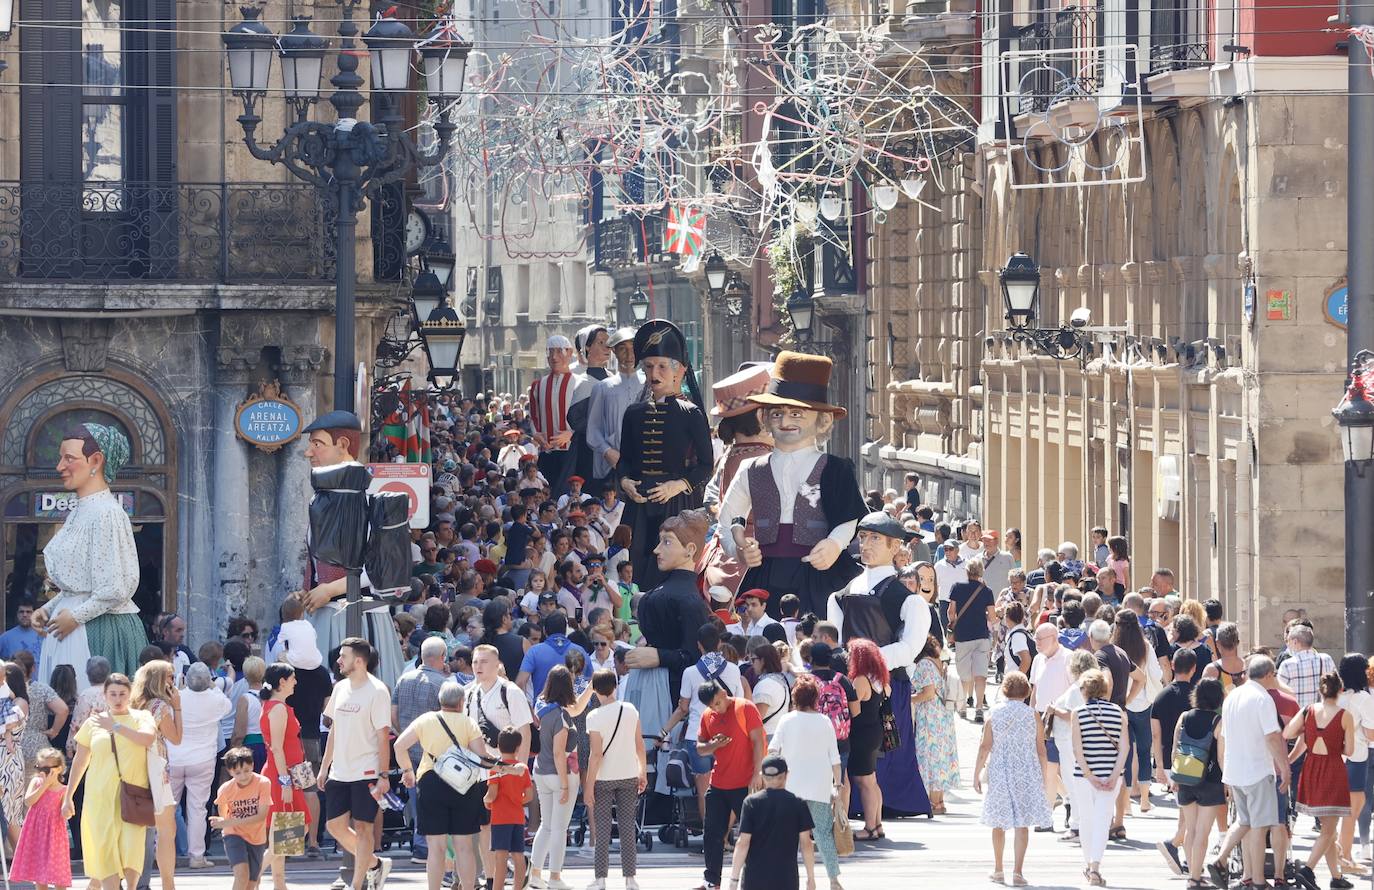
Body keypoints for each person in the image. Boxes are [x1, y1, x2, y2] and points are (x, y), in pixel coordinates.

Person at [719, 352, 867, 619]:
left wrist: (834, 544)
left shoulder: (836, 468)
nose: (785, 422)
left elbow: (850, 517)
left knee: (818, 634)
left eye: (796, 414)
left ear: (822, 420)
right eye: (777, 413)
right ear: (764, 417)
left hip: (819, 575)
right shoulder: (750, 469)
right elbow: (727, 518)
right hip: (764, 576)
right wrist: (738, 551)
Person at [828, 511, 932, 817]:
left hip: (889, 685)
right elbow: (836, 642)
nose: (867, 544)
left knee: (885, 751)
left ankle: (882, 811)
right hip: (850, 687)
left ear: (895, 546)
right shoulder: (840, 596)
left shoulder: (909, 600)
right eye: (863, 537)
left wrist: (868, 665)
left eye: (875, 538)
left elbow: (909, 649)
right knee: (847, 750)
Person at [291, 411, 406, 689]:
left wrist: (329, 589)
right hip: (324, 617)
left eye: (317, 444)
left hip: (356, 618)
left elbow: (378, 569)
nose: (308, 452)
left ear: (342, 444)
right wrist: (311, 589)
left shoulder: (366, 501)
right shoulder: (323, 500)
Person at [34, 424, 147, 683]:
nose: (60, 467)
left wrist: (75, 616)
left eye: (69, 458)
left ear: (96, 460)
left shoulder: (107, 513)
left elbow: (114, 588)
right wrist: (49, 608)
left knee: (89, 696)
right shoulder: (80, 511)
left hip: (96, 628)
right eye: (61, 458)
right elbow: (81, 584)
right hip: (72, 627)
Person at [616, 319, 713, 590]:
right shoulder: (633, 413)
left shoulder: (691, 414)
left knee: (672, 567)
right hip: (638, 505)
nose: (654, 373)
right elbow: (624, 460)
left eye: (661, 366)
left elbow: (706, 465)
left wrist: (677, 485)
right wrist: (625, 482)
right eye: (648, 366)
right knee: (635, 567)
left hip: (675, 503)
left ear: (679, 371)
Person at [622, 510, 713, 791]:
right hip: (649, 684)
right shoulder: (669, 593)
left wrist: (659, 656)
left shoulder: (690, 601)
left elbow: (696, 657)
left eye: (667, 542)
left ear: (690, 550)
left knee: (659, 748)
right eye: (660, 541)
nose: (656, 549)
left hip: (670, 690)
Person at [62, 673, 157, 890]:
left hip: (132, 797)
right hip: (100, 797)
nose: (118, 698)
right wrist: (68, 796)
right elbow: (80, 761)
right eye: (113, 694)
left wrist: (115, 726)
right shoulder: (93, 723)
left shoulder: (142, 717)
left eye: (122, 694)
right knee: (105, 854)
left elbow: (147, 739)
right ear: (104, 695)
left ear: (130, 694)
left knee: (131, 851)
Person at [394, 680, 489, 890]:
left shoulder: (426, 720)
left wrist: (408, 771)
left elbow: (399, 745)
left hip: (431, 783)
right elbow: (481, 757)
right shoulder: (468, 723)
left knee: (435, 847)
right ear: (461, 702)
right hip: (464, 786)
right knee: (464, 846)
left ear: (440, 700)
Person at [319, 637, 393, 890]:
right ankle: (374, 864)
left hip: (367, 770)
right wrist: (324, 767)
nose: (338, 660)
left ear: (359, 661)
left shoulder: (378, 691)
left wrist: (384, 775)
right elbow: (334, 730)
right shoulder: (340, 687)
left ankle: (357, 883)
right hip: (339, 770)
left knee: (363, 828)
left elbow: (383, 737)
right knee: (334, 826)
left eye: (344, 656)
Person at [1216, 655, 1291, 890]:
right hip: (1257, 769)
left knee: (1244, 821)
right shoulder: (1263, 699)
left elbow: (1224, 736)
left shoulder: (1232, 696)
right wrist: (1284, 767)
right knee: (1259, 825)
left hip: (1235, 769)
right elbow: (1272, 737)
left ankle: (1221, 859)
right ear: (1268, 675)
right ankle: (1258, 879)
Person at [700, 363, 774, 596]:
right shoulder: (762, 460)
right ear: (761, 416)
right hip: (751, 562)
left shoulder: (731, 454)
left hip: (724, 559)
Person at [974, 671, 1051, 886]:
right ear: (1026, 691)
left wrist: (976, 774)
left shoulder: (995, 713)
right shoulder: (1033, 715)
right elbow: (1041, 749)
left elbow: (985, 746)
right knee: (1022, 823)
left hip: (1000, 771)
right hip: (1026, 772)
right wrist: (1044, 776)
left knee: (998, 822)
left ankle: (998, 869)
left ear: (1005, 690)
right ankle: (1018, 872)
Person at [769, 674, 843, 889]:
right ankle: (833, 879)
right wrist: (837, 784)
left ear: (795, 697)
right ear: (815, 698)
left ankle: (787, 878)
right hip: (819, 787)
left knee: (788, 836)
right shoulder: (825, 722)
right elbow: (835, 759)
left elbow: (773, 750)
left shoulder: (787, 720)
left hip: (791, 787)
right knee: (823, 834)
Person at [1285, 671, 1355, 890]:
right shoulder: (1345, 715)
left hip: (1312, 768)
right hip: (1333, 769)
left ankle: (1336, 877)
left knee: (1328, 829)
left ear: (1320, 690)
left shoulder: (1308, 710)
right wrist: (1334, 744)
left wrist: (1308, 731)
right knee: (1328, 830)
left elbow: (1287, 733)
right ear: (1340, 690)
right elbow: (1350, 750)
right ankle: (1307, 870)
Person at [696, 682, 766, 890]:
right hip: (718, 783)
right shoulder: (707, 716)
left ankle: (752, 881)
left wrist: (757, 773)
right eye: (712, 706)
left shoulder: (745, 708)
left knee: (751, 834)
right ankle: (711, 881)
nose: (716, 708)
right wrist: (714, 744)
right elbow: (700, 748)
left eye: (717, 703)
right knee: (711, 833)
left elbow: (758, 742)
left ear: (723, 693)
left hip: (745, 782)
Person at [584, 668, 648, 890]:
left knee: (602, 829)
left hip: (604, 778)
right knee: (627, 827)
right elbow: (640, 745)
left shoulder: (593, 717)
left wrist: (588, 786)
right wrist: (642, 771)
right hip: (629, 774)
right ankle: (630, 878)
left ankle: (600, 879)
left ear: (594, 689)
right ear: (616, 686)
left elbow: (595, 755)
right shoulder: (630, 710)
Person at [529, 665, 592, 890]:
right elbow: (559, 753)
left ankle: (535, 874)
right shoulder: (562, 716)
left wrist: (590, 688)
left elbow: (576, 708)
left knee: (546, 826)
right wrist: (565, 785)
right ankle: (555, 878)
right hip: (561, 774)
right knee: (559, 829)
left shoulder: (541, 705)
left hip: (541, 771)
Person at [169, 662, 232, 869]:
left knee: (168, 808)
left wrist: (179, 687)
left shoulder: (177, 697)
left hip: (175, 758)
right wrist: (214, 687)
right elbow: (227, 705)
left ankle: (163, 852)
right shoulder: (215, 699)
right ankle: (196, 856)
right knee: (197, 809)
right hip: (203, 759)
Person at [1071, 668, 1128, 887]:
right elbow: (1124, 748)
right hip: (1111, 774)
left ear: (1085, 690)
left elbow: (1078, 749)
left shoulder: (1078, 713)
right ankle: (1095, 866)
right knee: (1103, 821)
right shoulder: (1118, 712)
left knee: (1086, 819)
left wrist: (1089, 775)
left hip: (1084, 777)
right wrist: (1114, 775)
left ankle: (1089, 865)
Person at [726, 755, 817, 890]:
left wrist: (734, 880)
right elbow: (806, 844)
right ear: (786, 775)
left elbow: (743, 843)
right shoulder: (798, 804)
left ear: (762, 776)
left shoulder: (751, 803)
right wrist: (811, 878)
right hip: (786, 880)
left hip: (754, 880)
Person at [1172, 678, 1226, 890]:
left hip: (1185, 778)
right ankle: (1195, 879)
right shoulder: (1218, 721)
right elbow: (1221, 757)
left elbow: (1175, 749)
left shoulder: (1184, 716)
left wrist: (1175, 777)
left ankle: (1193, 873)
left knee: (1191, 829)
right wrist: (1227, 782)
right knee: (1203, 832)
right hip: (1209, 782)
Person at [131, 660, 181, 890]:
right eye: (170, 676)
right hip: (157, 770)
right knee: (166, 831)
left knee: (143, 831)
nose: (173, 681)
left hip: (136, 769)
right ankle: (168, 885)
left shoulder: (135, 704)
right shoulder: (159, 706)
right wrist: (177, 707)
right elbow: (176, 738)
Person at [259, 663, 306, 890]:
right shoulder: (278, 708)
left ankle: (279, 884)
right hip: (282, 775)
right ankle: (254, 874)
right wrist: (285, 782)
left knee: (282, 832)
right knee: (295, 830)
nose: (295, 682)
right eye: (292, 678)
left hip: (283, 773)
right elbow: (277, 748)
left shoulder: (275, 706)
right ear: (282, 682)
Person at [528, 334, 587, 492]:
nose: (554, 357)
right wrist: (536, 434)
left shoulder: (580, 383)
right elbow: (533, 416)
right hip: (547, 452)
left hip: (572, 452)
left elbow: (587, 417)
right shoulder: (538, 385)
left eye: (559, 351)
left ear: (569, 353)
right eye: (551, 352)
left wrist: (571, 433)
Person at [585, 326, 643, 484]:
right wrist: (607, 451)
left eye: (633, 348)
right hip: (611, 466)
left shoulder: (648, 384)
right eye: (623, 349)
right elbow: (593, 428)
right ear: (614, 351)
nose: (629, 355)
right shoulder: (602, 388)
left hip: (643, 463)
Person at [210, 747, 273, 890]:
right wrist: (224, 823)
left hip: (256, 837)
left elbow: (261, 816)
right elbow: (223, 815)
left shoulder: (263, 783)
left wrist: (227, 822)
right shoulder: (225, 789)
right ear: (230, 771)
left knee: (251, 884)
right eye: (238, 773)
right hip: (234, 834)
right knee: (242, 875)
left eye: (246, 770)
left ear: (252, 765)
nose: (243, 776)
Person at [11, 746, 72, 890]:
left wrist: (67, 810)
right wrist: (45, 784)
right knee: (38, 871)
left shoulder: (64, 790)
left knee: (58, 872)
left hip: (55, 835)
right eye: (39, 768)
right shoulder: (37, 782)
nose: (42, 773)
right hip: (36, 832)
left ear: (59, 769)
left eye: (46, 770)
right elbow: (28, 801)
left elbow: (67, 812)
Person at [846, 638, 888, 840]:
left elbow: (854, 711)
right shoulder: (879, 679)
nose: (848, 657)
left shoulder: (860, 680)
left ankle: (870, 827)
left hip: (861, 734)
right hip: (875, 731)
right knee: (871, 780)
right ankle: (877, 824)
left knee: (863, 782)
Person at [912, 633, 959, 815]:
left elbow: (928, 693)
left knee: (930, 756)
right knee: (940, 757)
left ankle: (932, 802)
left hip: (930, 715)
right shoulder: (939, 662)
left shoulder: (924, 664)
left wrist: (908, 699)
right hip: (943, 714)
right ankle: (939, 801)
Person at [1337, 653, 1374, 877]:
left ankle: (1342, 852)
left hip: (1336, 757)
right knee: (1354, 807)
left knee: (1344, 810)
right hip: (1357, 756)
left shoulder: (1337, 696)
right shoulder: (1363, 699)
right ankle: (1346, 856)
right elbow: (1371, 734)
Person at [484, 727, 534, 890]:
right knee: (518, 855)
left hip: (500, 818)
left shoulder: (496, 768)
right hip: (517, 818)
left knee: (501, 857)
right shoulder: (522, 768)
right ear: (518, 747)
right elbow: (529, 796)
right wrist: (517, 801)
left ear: (498, 746)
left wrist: (485, 800)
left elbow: (492, 794)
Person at [948, 557, 997, 722]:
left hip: (963, 636)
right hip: (981, 635)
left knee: (964, 675)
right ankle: (979, 708)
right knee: (981, 675)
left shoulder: (957, 587)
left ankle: (962, 708)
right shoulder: (987, 591)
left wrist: (954, 621)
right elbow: (992, 616)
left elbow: (951, 612)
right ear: (981, 572)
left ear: (967, 571)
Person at [749, 642, 794, 738]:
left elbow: (756, 719)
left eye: (753, 659)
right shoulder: (781, 680)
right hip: (780, 735)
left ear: (763, 661)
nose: (751, 664)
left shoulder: (765, 685)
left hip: (766, 737)